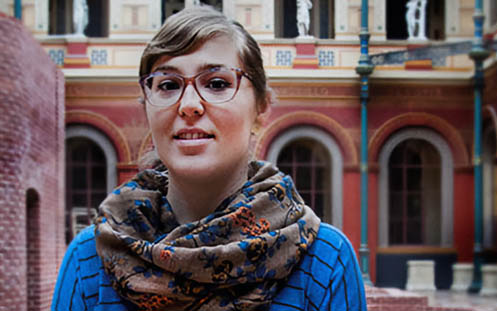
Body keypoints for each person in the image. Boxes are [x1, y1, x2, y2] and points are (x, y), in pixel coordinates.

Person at [52, 7, 366, 311]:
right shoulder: (90, 260)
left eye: (217, 84)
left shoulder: (323, 260)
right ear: (146, 105)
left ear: (261, 107)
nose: (189, 105)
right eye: (168, 85)